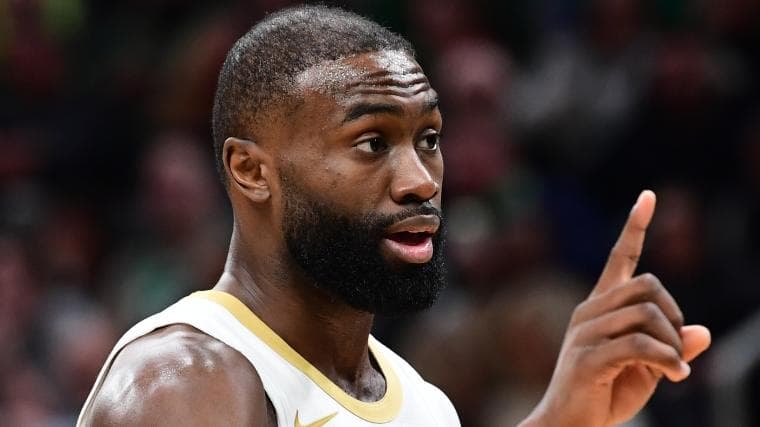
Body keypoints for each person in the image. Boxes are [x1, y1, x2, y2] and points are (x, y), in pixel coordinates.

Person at [76, 5, 711, 426]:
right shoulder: (184, 384)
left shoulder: (425, 405)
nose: (420, 181)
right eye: (372, 142)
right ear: (252, 170)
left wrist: (564, 416)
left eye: (428, 139)